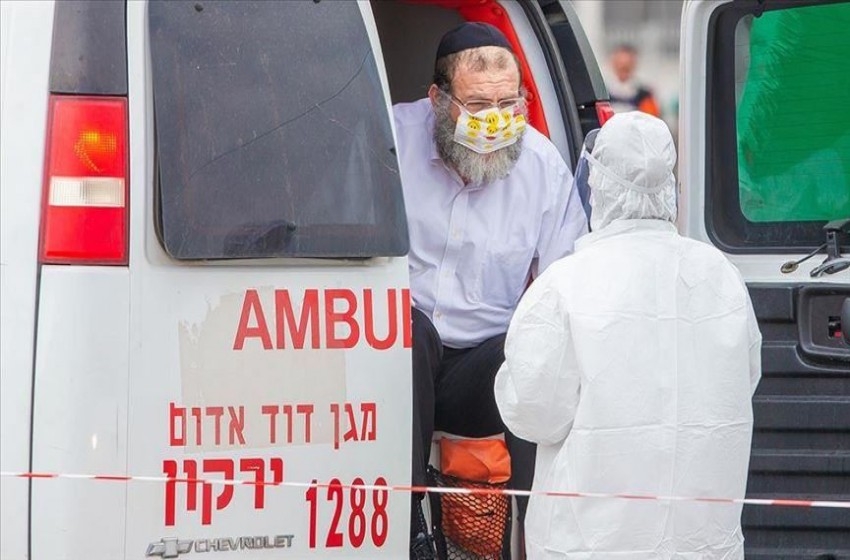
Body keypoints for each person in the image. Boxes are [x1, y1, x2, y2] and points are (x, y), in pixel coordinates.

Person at [494, 111, 762, 559]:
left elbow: (533, 413)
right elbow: (743, 381)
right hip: (702, 543)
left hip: (591, 544)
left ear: (597, 184)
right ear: (670, 186)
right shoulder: (721, 275)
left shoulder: (566, 284)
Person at [392, 22, 588, 558]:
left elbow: (566, 284)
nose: (496, 120)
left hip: (480, 369)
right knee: (407, 331)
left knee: (534, 350)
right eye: (478, 105)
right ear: (438, 100)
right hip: (397, 357)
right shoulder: (390, 139)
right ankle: (408, 530)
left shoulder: (541, 166)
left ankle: (535, 539)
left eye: (508, 103)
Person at [606, 44, 661, 117]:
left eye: (627, 66)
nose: (623, 68)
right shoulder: (603, 94)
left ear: (634, 65)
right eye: (620, 64)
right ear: (613, 64)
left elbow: (651, 118)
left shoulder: (644, 95)